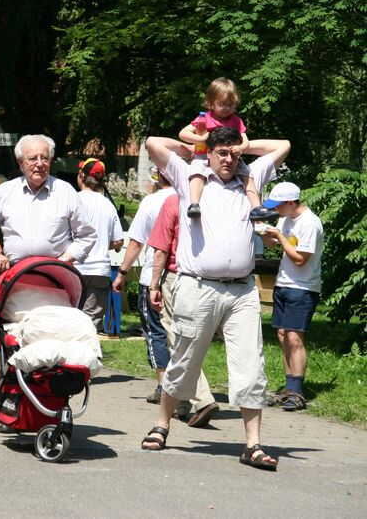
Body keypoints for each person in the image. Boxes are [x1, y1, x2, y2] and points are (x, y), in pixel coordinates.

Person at [140, 128, 290, 472]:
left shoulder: (249, 177)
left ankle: (252, 444)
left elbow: (283, 144)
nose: (228, 159)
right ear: (210, 153)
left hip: (241, 291)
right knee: (184, 360)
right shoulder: (190, 176)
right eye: (221, 153)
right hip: (198, 286)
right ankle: (162, 424)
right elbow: (152, 143)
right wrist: (199, 144)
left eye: (232, 153)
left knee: (251, 366)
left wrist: (244, 145)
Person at [0, 134, 96, 271]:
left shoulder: (65, 191)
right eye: (32, 159)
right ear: (20, 163)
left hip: (56, 277)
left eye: (44, 158)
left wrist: (64, 260)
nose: (40, 164)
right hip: (14, 275)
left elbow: (87, 235)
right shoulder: (5, 191)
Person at [148, 191, 220, 427]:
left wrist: (154, 284)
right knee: (190, 339)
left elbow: (161, 249)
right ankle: (181, 402)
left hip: (176, 276)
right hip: (208, 280)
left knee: (178, 340)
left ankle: (202, 398)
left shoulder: (174, 201)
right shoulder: (216, 202)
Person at [259, 182, 324, 412]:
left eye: (278, 206)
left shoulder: (310, 223)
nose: (275, 210)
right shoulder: (284, 219)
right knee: (282, 334)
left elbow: (300, 258)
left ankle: (297, 391)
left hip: (303, 287)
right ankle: (289, 385)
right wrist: (266, 235)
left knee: (295, 338)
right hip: (283, 284)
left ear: (290, 202)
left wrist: (279, 235)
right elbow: (277, 245)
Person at [113, 167, 175, 404]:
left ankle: (163, 385)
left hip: (152, 277)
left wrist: (122, 273)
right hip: (182, 276)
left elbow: (136, 242)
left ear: (158, 176)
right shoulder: (189, 199)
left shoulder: (150, 203)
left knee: (155, 332)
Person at [178, 77, 274, 221]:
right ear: (211, 103)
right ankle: (194, 204)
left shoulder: (236, 120)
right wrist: (201, 139)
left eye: (230, 105)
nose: (226, 108)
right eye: (222, 104)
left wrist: (240, 148)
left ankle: (256, 207)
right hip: (204, 155)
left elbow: (245, 139)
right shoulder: (205, 118)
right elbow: (183, 134)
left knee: (247, 176)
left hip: (231, 155)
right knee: (197, 172)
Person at [73, 158, 124, 331]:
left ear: (81, 175)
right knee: (90, 325)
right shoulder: (108, 205)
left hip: (73, 268)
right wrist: (102, 244)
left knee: (69, 320)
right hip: (99, 271)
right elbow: (118, 241)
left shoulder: (71, 200)